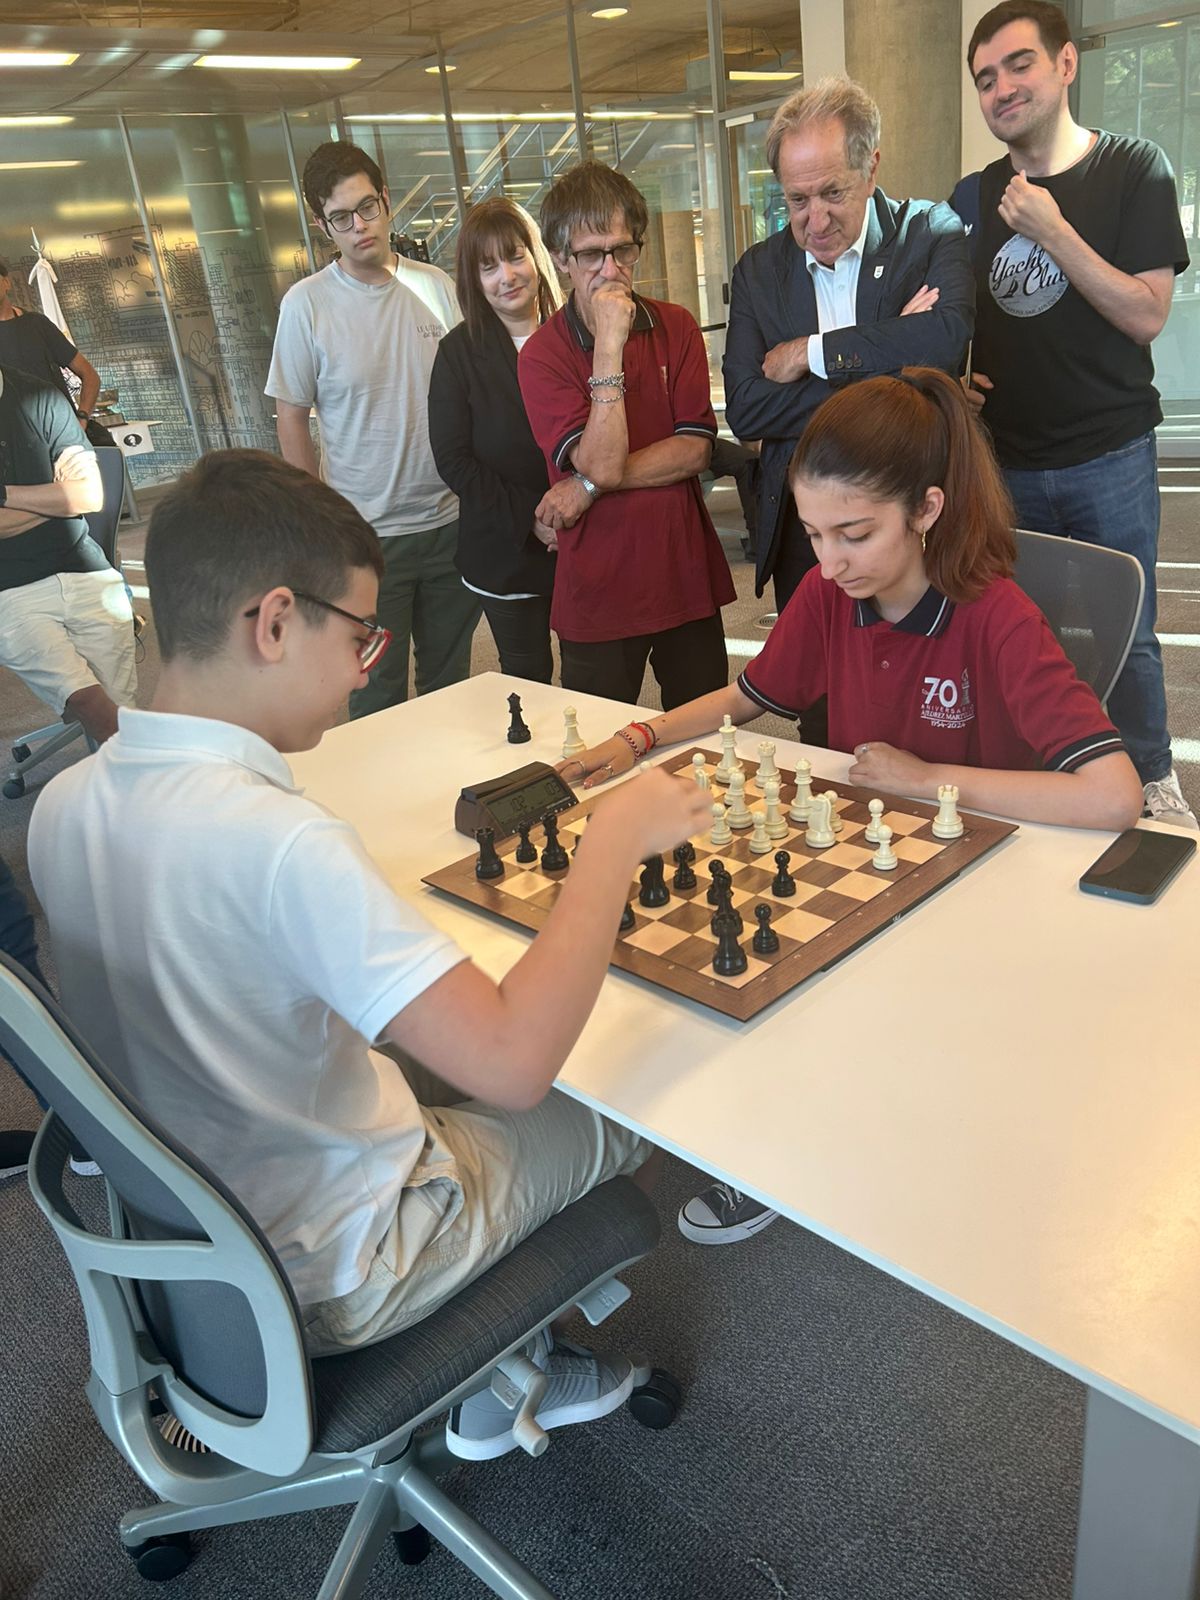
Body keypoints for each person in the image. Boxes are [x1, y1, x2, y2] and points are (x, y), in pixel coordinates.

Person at [27, 449, 712, 1459]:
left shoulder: (61, 804)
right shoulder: (281, 843)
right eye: (358, 634)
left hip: (203, 1245)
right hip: (351, 1262)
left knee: (424, 1054)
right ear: (272, 622)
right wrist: (612, 840)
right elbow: (516, 1065)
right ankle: (497, 1378)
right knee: (627, 1105)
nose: (364, 666)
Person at [561, 367, 1143, 1245]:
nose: (829, 562)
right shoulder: (831, 595)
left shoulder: (997, 615)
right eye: (812, 534)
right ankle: (788, 1134)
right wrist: (639, 736)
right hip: (872, 861)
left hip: (980, 887)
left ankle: (839, 1136)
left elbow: (1114, 795)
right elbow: (747, 698)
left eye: (855, 534)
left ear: (928, 509)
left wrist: (927, 779)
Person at [958, 1, 1195, 830]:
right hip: (1008, 460)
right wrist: (955, 378)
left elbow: (1145, 313)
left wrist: (1053, 231)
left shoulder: (1134, 168)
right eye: (985, 78)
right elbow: (956, 319)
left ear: (1065, 64)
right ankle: (1050, 774)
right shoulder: (972, 197)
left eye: (1018, 64)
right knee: (1026, 630)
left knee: (1127, 629)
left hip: (1109, 453)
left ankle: (1154, 776)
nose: (1001, 88)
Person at [723, 78, 974, 627]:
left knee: (922, 671)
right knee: (819, 675)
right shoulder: (759, 272)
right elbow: (745, 408)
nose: (815, 222)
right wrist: (893, 361)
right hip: (805, 530)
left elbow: (945, 341)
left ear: (871, 167)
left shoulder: (928, 233)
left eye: (833, 194)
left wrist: (810, 353)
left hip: (915, 518)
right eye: (797, 200)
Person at [266, 141, 480, 719]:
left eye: (367, 207)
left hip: (450, 522)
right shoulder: (306, 305)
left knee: (450, 687)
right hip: (365, 537)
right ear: (322, 226)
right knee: (375, 695)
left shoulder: (437, 286)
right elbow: (291, 416)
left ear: (386, 200)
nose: (359, 226)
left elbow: (474, 392)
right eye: (341, 217)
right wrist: (316, 525)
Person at [519, 162, 735, 710]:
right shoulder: (541, 355)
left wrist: (586, 487)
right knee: (598, 742)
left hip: (683, 575)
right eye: (592, 254)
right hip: (598, 590)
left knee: (705, 734)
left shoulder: (677, 326)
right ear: (561, 259)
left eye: (623, 250)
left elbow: (694, 450)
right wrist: (609, 346)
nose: (611, 270)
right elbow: (601, 459)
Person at [428, 198, 562, 683]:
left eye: (515, 257)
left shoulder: (575, 334)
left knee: (595, 673)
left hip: (582, 537)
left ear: (536, 258)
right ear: (474, 279)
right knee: (527, 678)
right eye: (488, 267)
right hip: (505, 547)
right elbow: (454, 460)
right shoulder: (457, 353)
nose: (506, 276)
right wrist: (533, 519)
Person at [0, 363, 135, 746]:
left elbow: (89, 495)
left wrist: (4, 494)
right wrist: (55, 499)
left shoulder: (41, 396)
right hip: (10, 589)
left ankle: (127, 769)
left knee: (124, 712)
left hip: (87, 570)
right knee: (93, 707)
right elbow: (70, 497)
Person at [0, 259, 103, 430]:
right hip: (12, 438)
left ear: (6, 282)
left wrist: (82, 418)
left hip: (61, 433)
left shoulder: (37, 324)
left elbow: (90, 375)